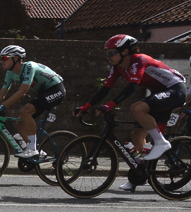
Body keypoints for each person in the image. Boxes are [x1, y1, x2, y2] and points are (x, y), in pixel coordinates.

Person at [76, 35, 186, 191]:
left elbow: (132, 87)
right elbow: (105, 89)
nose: (108, 57)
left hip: (174, 91)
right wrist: (85, 107)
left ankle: (161, 143)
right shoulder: (118, 67)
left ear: (125, 51)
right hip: (158, 93)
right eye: (107, 53)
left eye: (111, 53)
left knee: (137, 108)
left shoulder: (139, 60)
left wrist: (110, 105)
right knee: (136, 135)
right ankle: (139, 175)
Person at [0, 45, 65, 157]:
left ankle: (32, 149)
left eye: (4, 58)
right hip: (44, 91)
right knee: (20, 122)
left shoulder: (29, 67)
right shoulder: (10, 73)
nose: (1, 62)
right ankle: (38, 152)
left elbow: (22, 91)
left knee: (26, 111)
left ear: (15, 58)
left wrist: (3, 106)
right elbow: (1, 95)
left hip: (56, 89)